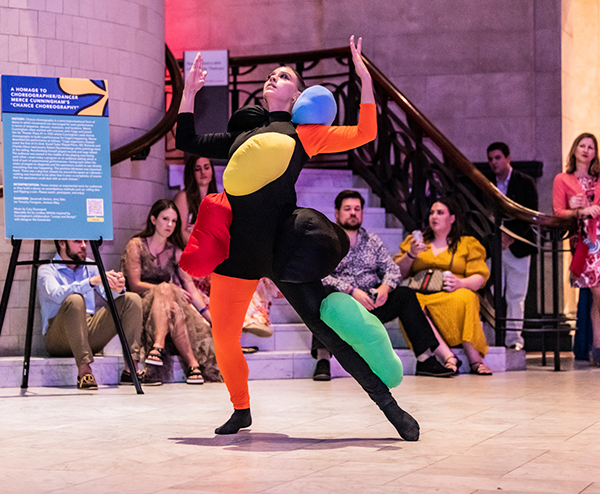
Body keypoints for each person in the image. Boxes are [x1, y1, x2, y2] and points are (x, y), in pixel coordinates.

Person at [175, 36, 420, 441]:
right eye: (271, 75)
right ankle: (241, 410)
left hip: (282, 247)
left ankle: (392, 410)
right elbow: (187, 141)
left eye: (283, 75)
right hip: (237, 251)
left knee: (326, 333)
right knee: (223, 339)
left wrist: (365, 79)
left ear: (299, 95)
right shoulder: (244, 134)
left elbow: (366, 131)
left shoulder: (306, 132)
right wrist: (188, 93)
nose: (273, 77)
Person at [312, 190, 454, 380]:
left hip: (372, 303)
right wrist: (352, 291)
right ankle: (323, 360)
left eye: (357, 209)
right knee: (323, 294)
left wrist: (384, 288)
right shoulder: (327, 241)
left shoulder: (373, 241)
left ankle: (425, 359)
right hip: (342, 306)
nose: (353, 213)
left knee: (405, 295)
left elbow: (392, 270)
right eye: (347, 209)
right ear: (337, 213)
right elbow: (319, 275)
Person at [173, 155, 274, 339]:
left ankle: (252, 319)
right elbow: (180, 233)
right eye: (197, 168)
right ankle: (242, 320)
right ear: (191, 173)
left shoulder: (220, 198)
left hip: (214, 256)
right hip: (194, 257)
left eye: (206, 167)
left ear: (212, 170)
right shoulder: (183, 197)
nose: (203, 172)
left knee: (244, 271)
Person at [553, 133, 600, 370]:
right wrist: (576, 211)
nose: (587, 150)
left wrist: (596, 208)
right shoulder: (562, 179)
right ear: (575, 150)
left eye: (591, 147)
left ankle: (597, 349)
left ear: (595, 152)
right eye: (582, 146)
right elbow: (558, 212)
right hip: (587, 244)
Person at [122, 199, 220, 384]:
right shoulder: (136, 245)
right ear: (153, 219)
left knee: (174, 308)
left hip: (165, 309)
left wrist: (210, 318)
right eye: (165, 219)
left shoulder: (175, 252)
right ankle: (185, 361)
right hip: (141, 304)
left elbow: (190, 287)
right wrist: (167, 288)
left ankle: (188, 363)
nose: (170, 225)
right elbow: (134, 284)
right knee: (167, 289)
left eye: (174, 221)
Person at [394, 197, 493, 375]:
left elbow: (480, 277)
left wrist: (461, 282)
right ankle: (448, 356)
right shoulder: (416, 241)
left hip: (451, 293)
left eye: (440, 213)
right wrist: (410, 255)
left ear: (452, 218)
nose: (434, 216)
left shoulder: (467, 244)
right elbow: (396, 274)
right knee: (412, 303)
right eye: (432, 212)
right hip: (421, 294)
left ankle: (474, 359)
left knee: (468, 296)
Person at [37, 239, 154, 389]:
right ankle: (84, 372)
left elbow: (109, 296)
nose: (84, 246)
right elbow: (57, 294)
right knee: (75, 300)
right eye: (78, 241)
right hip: (58, 337)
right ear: (62, 243)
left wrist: (117, 287)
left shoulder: (90, 265)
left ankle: (131, 370)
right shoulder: (47, 269)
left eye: (86, 241)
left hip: (89, 332)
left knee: (131, 299)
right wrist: (91, 282)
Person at [485, 142, 538, 350]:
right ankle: (490, 340)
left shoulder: (525, 182)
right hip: (493, 246)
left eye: (497, 158)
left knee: (516, 296)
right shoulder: (486, 184)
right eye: (490, 159)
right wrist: (496, 237)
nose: (493, 163)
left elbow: (530, 213)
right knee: (490, 293)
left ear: (508, 158)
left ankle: (514, 341)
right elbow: (482, 215)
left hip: (518, 246)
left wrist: (511, 236)